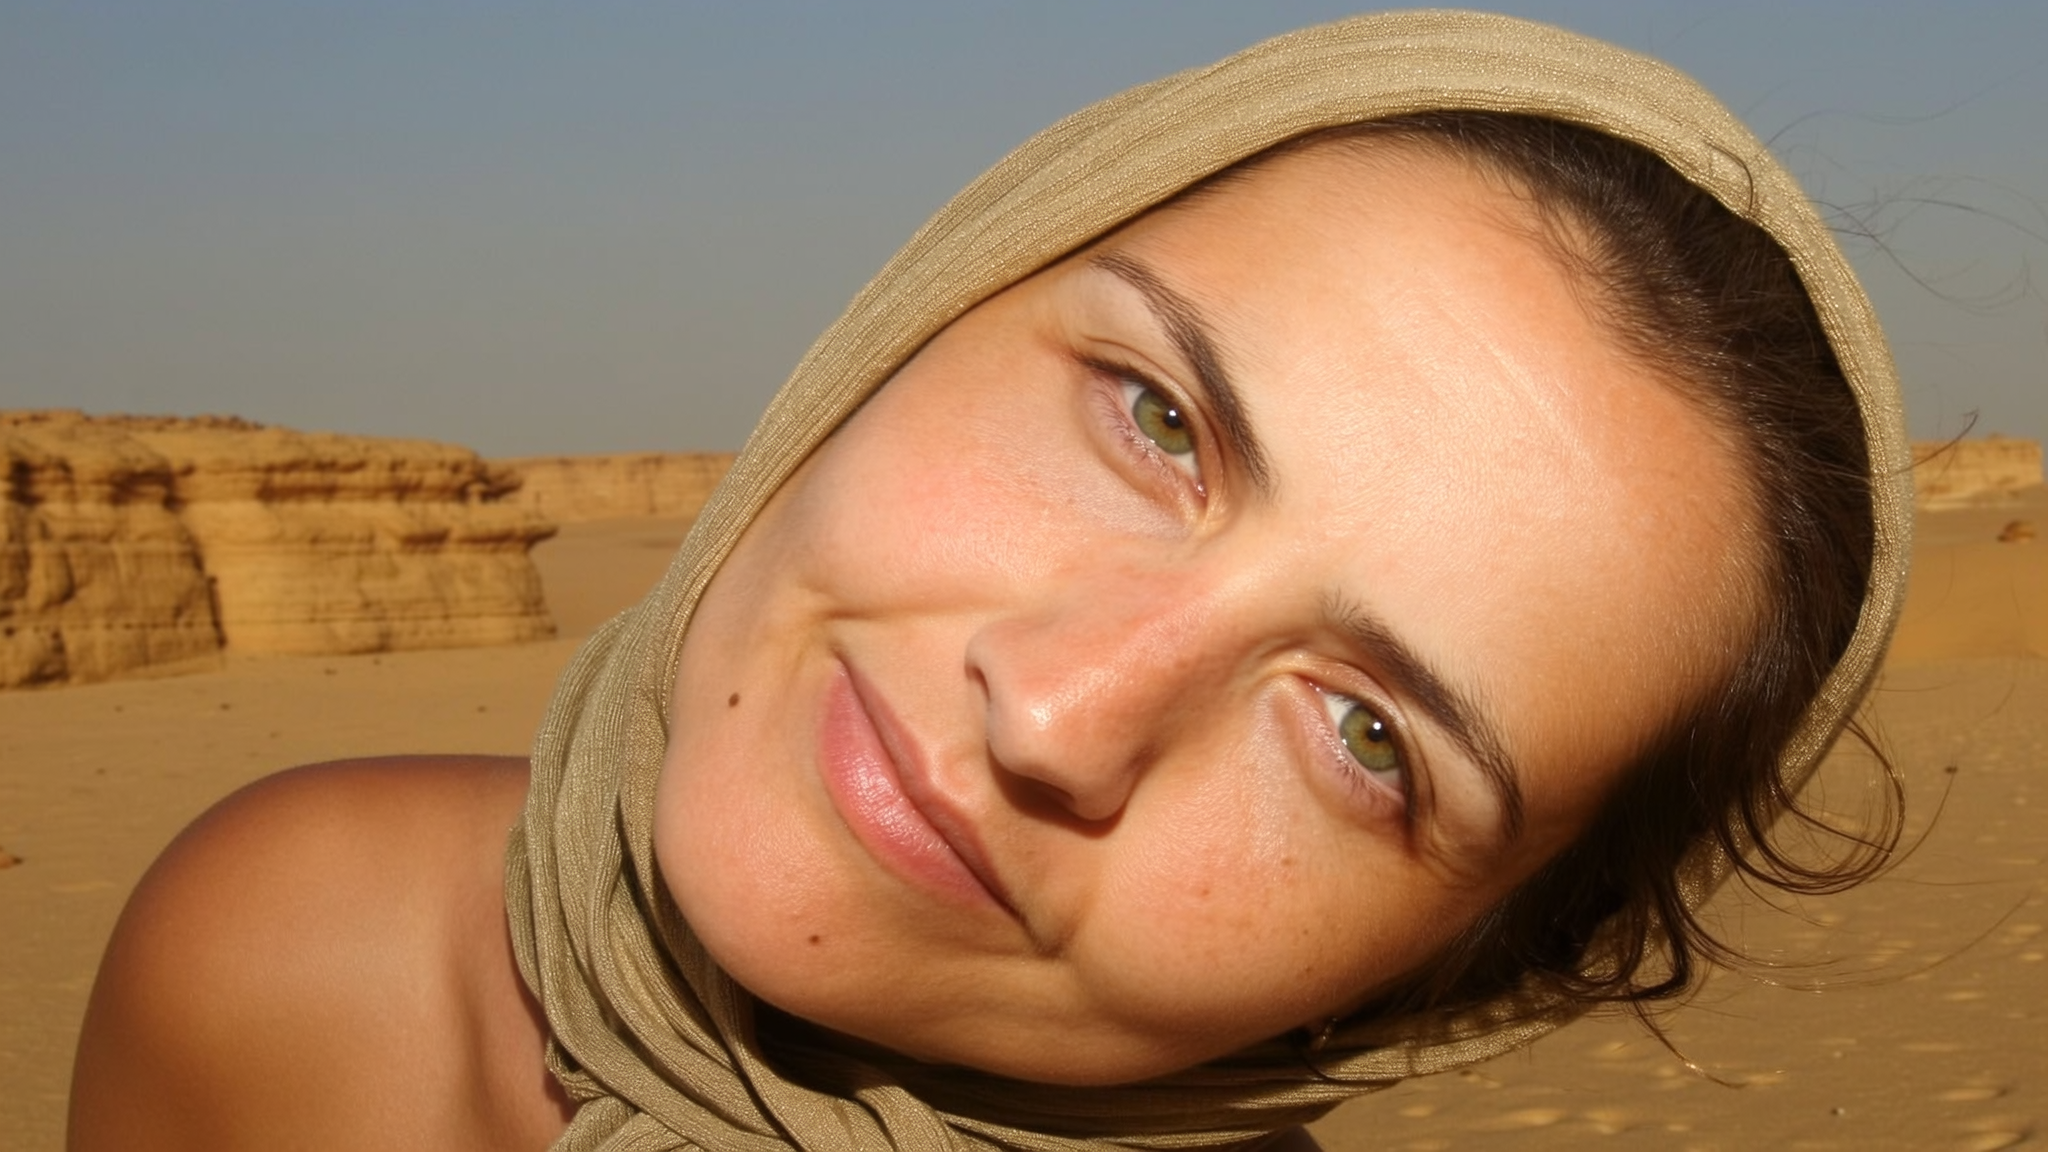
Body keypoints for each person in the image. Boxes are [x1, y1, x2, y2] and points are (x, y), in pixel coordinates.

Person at [68, 10, 1912, 1151]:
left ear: (1436, 983)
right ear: (933, 304)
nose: (1056, 711)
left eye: (1368, 736)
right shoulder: (291, 950)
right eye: (1158, 418)